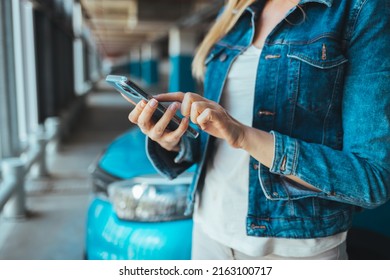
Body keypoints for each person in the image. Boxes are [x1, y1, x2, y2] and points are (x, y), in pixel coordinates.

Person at [128, 0, 390, 260]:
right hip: (209, 231)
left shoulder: (360, 8)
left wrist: (243, 136)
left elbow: (371, 179)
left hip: (293, 249)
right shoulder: (237, 10)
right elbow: (215, 140)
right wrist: (172, 139)